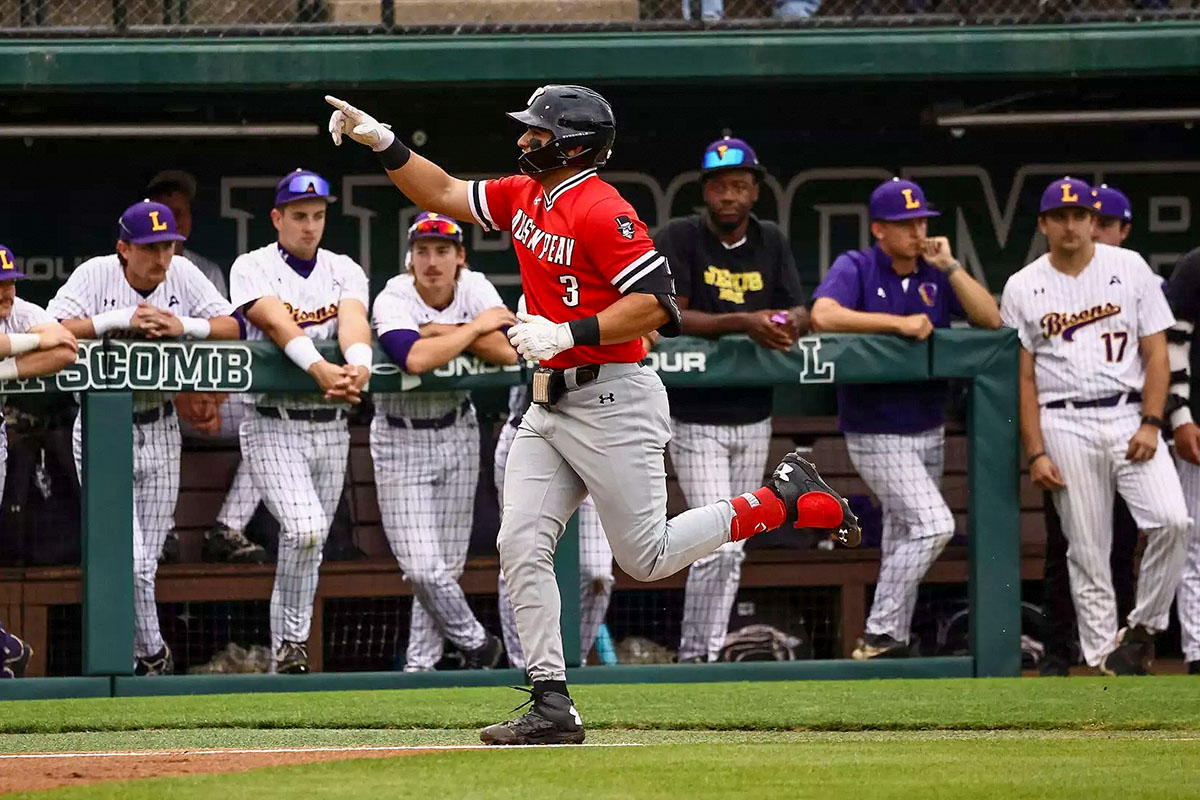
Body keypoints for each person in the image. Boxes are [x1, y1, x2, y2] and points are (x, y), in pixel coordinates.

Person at [327, 85, 860, 745]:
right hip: (549, 404)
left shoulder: (602, 209)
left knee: (647, 556)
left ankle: (779, 501)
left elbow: (658, 303)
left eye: (538, 133)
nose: (525, 141)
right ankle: (550, 700)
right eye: (526, 131)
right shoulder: (527, 194)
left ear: (575, 144)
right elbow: (441, 192)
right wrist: (383, 140)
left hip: (614, 396)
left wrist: (567, 329)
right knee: (520, 544)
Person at [1000, 176, 1189, 676]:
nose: (1070, 224)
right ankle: (1109, 661)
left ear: (1091, 220)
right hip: (1063, 419)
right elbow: (1022, 377)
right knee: (1086, 550)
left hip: (1129, 413)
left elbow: (1156, 354)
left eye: (1080, 215)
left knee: (1173, 521)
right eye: (1059, 216)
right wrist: (1036, 450)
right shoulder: (1023, 285)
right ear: (1043, 224)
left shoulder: (1128, 267)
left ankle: (1144, 628)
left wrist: (1152, 421)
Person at [46, 202, 241, 675]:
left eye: (168, 246)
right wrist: (115, 321)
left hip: (160, 426)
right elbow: (49, 331)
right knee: (131, 561)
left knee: (145, 564)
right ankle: (154, 655)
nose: (161, 257)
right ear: (124, 248)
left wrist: (184, 325)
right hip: (102, 424)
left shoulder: (185, 274)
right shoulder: (96, 275)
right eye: (151, 248)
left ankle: (142, 658)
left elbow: (233, 327)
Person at [810, 178, 1002, 659]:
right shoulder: (856, 265)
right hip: (875, 429)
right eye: (905, 223)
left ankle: (890, 639)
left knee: (904, 530)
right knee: (934, 526)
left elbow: (991, 320)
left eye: (922, 221)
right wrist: (897, 325)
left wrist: (952, 266)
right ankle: (879, 629)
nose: (917, 231)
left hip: (928, 426)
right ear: (879, 229)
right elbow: (824, 315)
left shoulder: (936, 273)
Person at [653, 135, 809, 663]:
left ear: (753, 191)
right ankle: (695, 655)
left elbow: (800, 310)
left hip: (755, 415)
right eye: (720, 185)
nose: (729, 195)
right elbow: (671, 315)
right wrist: (745, 320)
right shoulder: (681, 236)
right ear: (706, 190)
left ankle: (705, 651)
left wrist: (784, 322)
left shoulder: (771, 241)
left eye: (739, 185)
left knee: (736, 544)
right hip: (696, 417)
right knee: (719, 543)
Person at [228, 169, 372, 674]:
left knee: (308, 543)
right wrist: (319, 368)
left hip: (330, 425)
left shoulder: (343, 268)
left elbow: (354, 320)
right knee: (307, 529)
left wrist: (359, 367)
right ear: (277, 217)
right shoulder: (252, 265)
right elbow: (273, 319)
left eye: (317, 215)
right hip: (273, 421)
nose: (309, 226)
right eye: (298, 216)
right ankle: (290, 639)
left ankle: (289, 649)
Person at [371, 211, 516, 672]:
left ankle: (421, 666)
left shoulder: (474, 287)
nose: (432, 261)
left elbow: (508, 350)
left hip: (458, 429)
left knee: (446, 568)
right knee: (422, 568)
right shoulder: (394, 293)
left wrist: (440, 333)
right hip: (400, 436)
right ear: (410, 258)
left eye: (442, 250)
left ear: (460, 258)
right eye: (423, 250)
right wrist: (473, 330)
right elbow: (412, 356)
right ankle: (478, 643)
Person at [1038, 182, 1140, 676]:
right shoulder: (1049, 283)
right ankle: (1059, 653)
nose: (1090, 230)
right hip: (1068, 429)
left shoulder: (1137, 281)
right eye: (1085, 220)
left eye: (1102, 222)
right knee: (1067, 547)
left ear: (1124, 230)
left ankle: (1122, 650)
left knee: (1122, 545)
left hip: (1128, 430)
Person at [146, 169, 268, 565]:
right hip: (157, 402)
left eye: (181, 213)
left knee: (271, 427)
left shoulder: (203, 270)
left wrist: (213, 395)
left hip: (204, 397)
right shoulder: (121, 273)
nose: (175, 223)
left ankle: (227, 527)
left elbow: (226, 335)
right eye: (166, 213)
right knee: (121, 423)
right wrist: (182, 394)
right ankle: (159, 531)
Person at [0, 243, 79, 680]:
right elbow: (45, 341)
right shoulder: (22, 325)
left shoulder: (20, 309)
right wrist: (32, 342)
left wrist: (4, 371)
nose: (6, 293)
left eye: (10, 283)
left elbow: (67, 349)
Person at [1161, 242, 1200, 675]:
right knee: (1196, 545)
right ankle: (1198, 653)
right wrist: (1182, 416)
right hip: (1199, 423)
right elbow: (1173, 342)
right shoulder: (1194, 264)